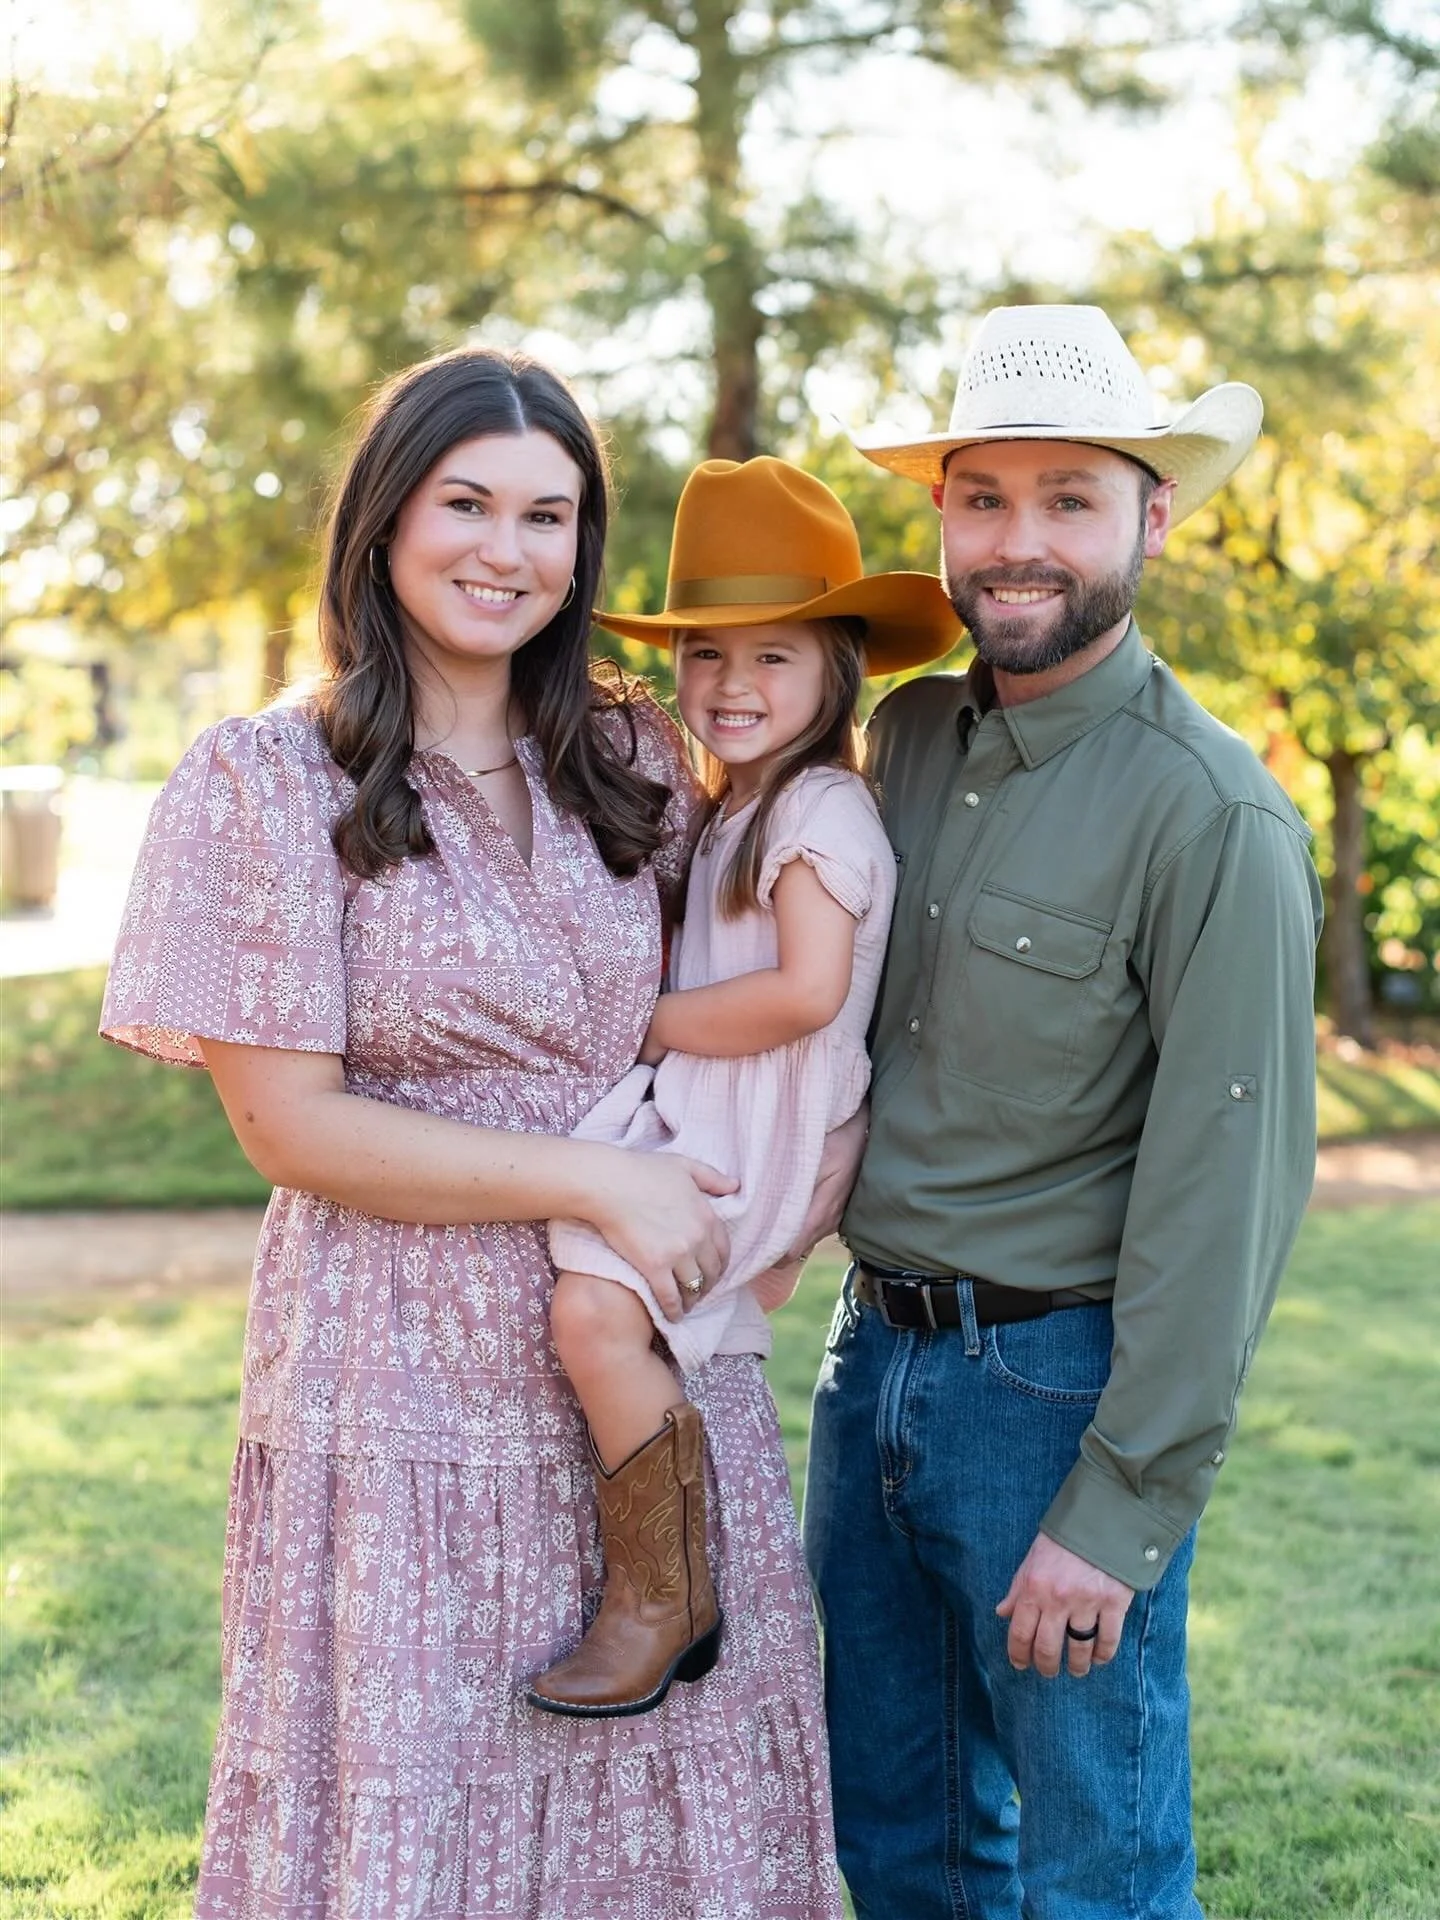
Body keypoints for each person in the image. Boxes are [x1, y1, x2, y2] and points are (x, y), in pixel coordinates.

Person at [100, 347, 847, 1917]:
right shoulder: (262, 780)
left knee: (672, 1792)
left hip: (647, 1349)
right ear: (383, 520)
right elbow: (291, 1127)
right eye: (468, 504)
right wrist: (594, 1176)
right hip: (396, 1384)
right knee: (419, 1806)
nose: (507, 550)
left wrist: (772, 1241)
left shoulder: (638, 759)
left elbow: (779, 999)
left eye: (550, 515)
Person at [802, 304, 1325, 1919]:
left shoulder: (1213, 814)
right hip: (865, 1369)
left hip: (1051, 1398)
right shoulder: (904, 739)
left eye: (1068, 499)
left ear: (1151, 517)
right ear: (940, 515)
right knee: (899, 1850)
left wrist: (1120, 1510)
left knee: (1096, 1871)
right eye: (982, 497)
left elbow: (1226, 1196)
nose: (1018, 542)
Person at [527, 456, 958, 1720]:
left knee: (593, 1319)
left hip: (749, 1124)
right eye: (708, 656)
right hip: (717, 1104)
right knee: (584, 1297)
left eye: (773, 658)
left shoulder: (820, 805)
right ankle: (669, 1580)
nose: (732, 685)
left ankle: (666, 1593)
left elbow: (808, 992)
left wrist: (639, 1022)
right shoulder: (737, 806)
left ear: (842, 668)